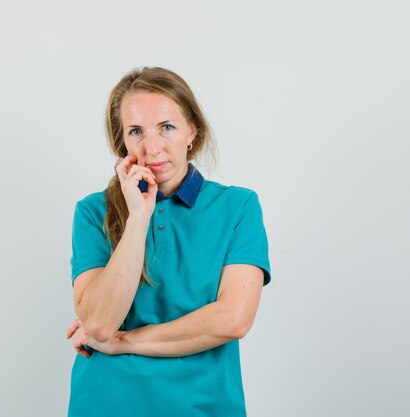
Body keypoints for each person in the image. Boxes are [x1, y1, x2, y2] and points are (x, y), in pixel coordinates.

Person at [65, 66, 272, 417]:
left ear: (192, 130)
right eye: (136, 131)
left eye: (167, 127)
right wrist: (138, 218)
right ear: (123, 141)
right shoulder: (91, 212)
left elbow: (233, 320)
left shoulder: (238, 207)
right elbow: (99, 323)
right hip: (105, 404)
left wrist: (122, 342)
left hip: (204, 406)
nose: (152, 148)